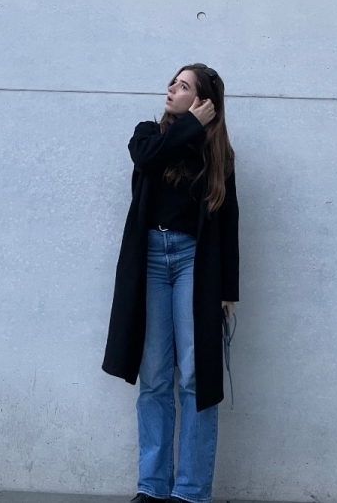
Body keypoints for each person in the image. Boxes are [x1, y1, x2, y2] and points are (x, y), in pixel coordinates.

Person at [102, 62, 240, 503]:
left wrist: (228, 290)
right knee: (155, 377)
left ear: (202, 102)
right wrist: (189, 126)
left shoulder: (217, 156)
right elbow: (146, 158)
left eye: (183, 86)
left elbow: (229, 222)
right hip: (151, 263)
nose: (171, 89)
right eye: (173, 83)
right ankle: (153, 488)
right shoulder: (149, 134)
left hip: (194, 263)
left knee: (195, 377)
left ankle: (191, 491)